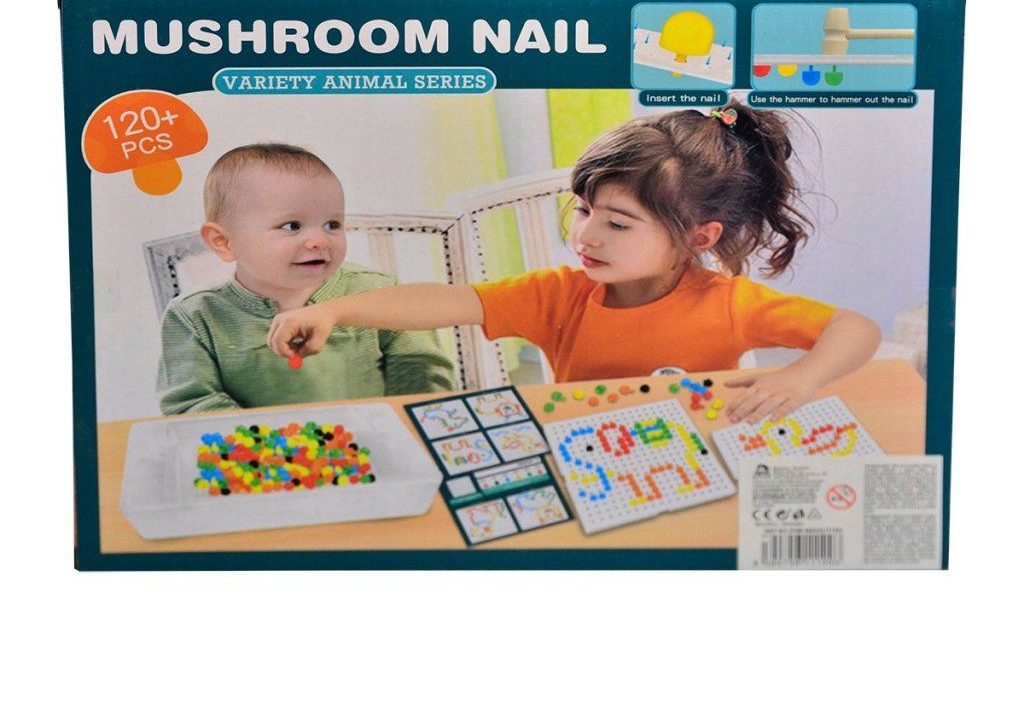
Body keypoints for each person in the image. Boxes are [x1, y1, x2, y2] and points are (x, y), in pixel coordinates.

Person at [266, 106, 881, 424]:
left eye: (618, 223)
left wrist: (801, 378)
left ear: (698, 236)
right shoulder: (559, 295)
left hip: (696, 460)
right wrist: (334, 310)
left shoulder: (728, 304)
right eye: (584, 210)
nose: (585, 234)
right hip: (585, 453)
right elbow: (445, 301)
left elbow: (855, 329)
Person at [157, 143, 454, 414]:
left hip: (375, 444)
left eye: (332, 224)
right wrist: (267, 443)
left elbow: (422, 372)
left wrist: (401, 427)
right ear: (223, 241)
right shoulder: (194, 317)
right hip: (263, 452)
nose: (320, 240)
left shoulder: (379, 292)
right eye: (292, 226)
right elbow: (192, 403)